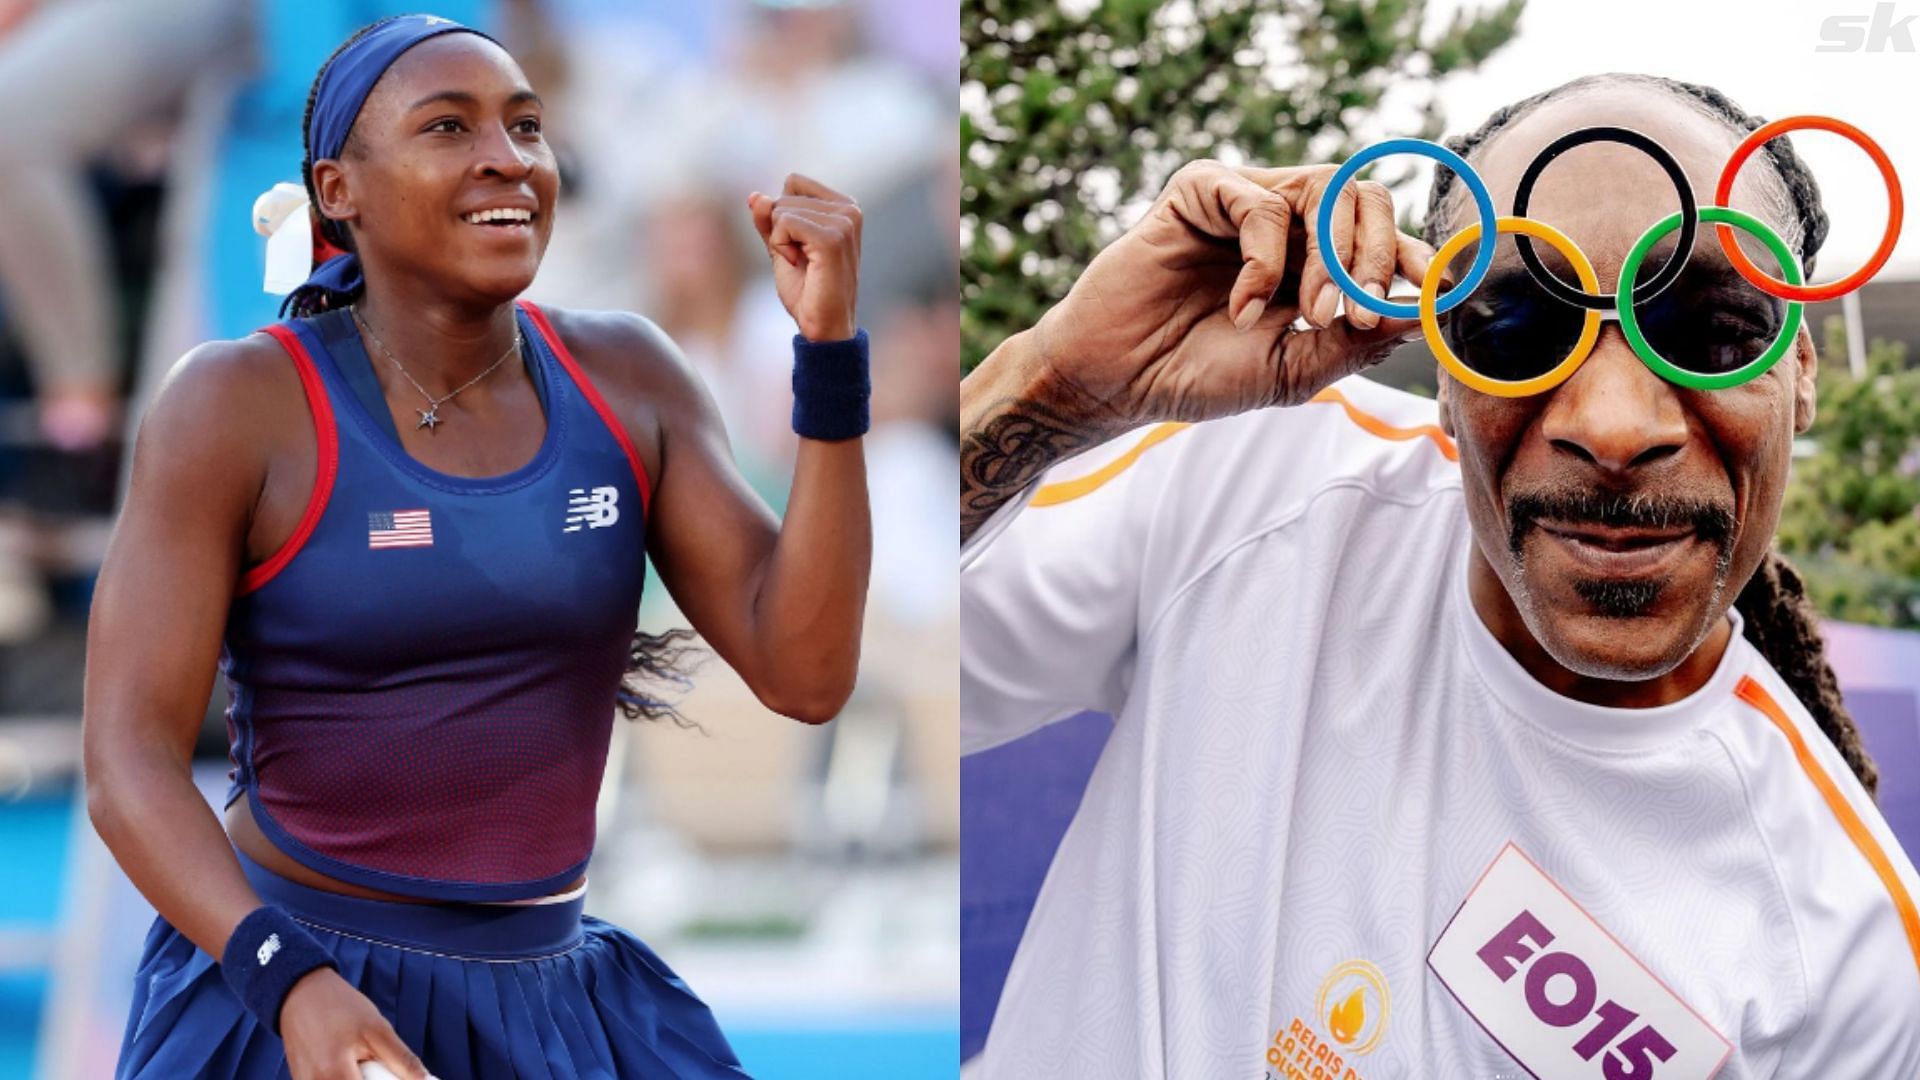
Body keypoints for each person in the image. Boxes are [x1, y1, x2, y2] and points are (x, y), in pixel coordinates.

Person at [958, 73, 1920, 1077]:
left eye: (1711, 330)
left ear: (1801, 372)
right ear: (1447, 373)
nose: (1615, 427)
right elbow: (834, 651)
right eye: (1518, 328)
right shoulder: (1246, 487)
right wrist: (1056, 384)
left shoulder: (1842, 953)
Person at [84, 15, 872, 1080]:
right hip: (292, 991)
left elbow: (808, 671)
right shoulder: (237, 403)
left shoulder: (632, 376)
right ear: (338, 191)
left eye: (527, 126)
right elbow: (126, 757)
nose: (508, 157)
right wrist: (287, 979)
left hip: (554, 995)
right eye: (448, 128)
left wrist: (829, 358)